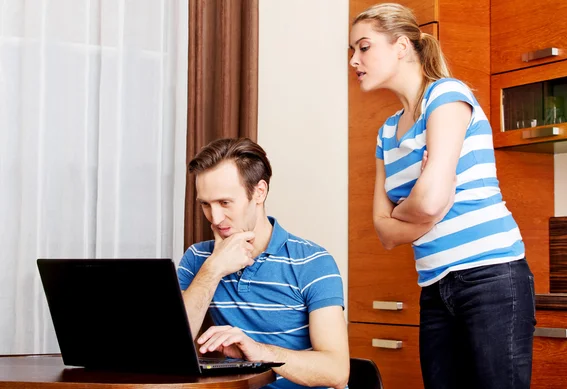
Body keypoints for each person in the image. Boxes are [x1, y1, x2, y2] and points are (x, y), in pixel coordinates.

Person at [349, 3, 536, 389]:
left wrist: (414, 208)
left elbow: (426, 203)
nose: (354, 60)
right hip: (434, 285)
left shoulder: (447, 95)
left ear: (401, 46)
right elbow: (384, 233)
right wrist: (425, 207)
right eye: (353, 51)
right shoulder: (386, 133)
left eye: (363, 47)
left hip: (492, 277)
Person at [177, 138, 349, 389]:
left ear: (259, 192)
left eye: (225, 203)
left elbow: (336, 372)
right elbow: (172, 347)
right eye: (205, 204)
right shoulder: (198, 259)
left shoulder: (312, 262)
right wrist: (214, 268)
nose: (214, 218)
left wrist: (260, 351)